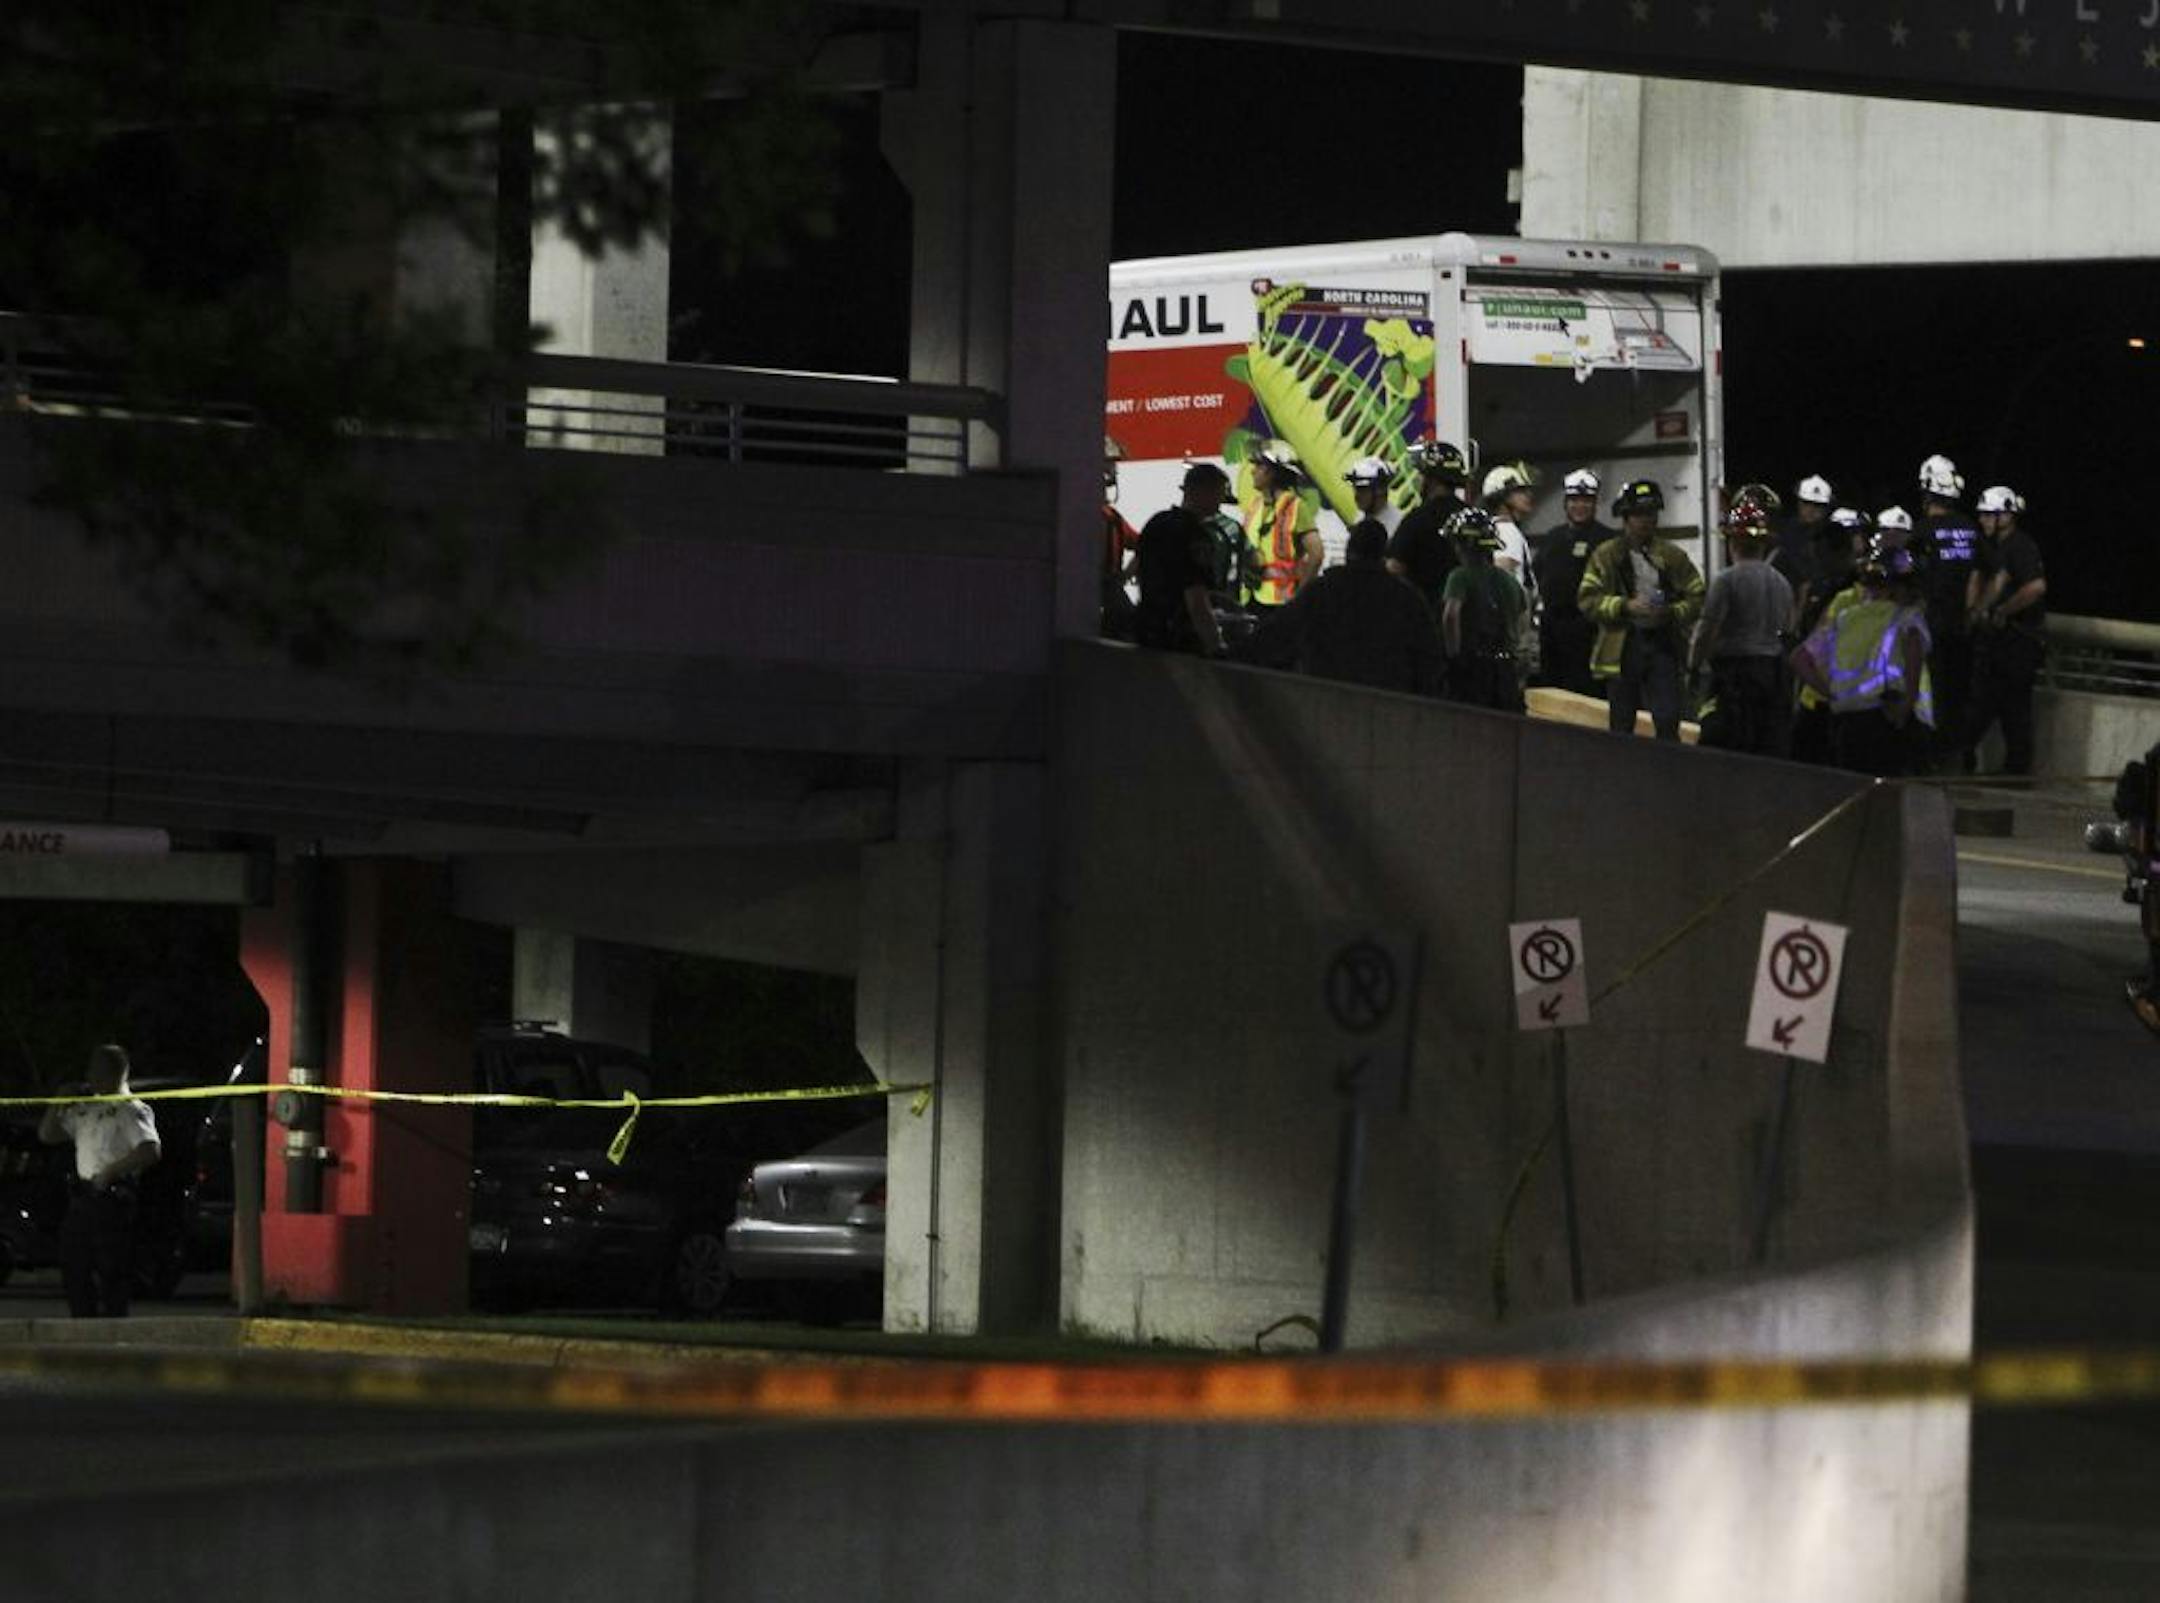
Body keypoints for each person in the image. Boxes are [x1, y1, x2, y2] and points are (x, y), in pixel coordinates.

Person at [1245, 518, 1443, 695]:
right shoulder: (1406, 598)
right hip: (1388, 708)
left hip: (1324, 700)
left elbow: (1276, 634)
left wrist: (1231, 654)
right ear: (1383, 554)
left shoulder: (1322, 591)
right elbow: (1429, 660)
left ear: (1349, 550)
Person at [38, 1043, 161, 1319]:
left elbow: (150, 1150)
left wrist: (111, 1172)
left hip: (113, 1198)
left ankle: (112, 1334)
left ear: (113, 1072)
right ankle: (84, 1327)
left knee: (112, 1271)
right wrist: (58, 1102)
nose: (89, 1074)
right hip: (84, 1197)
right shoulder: (88, 1109)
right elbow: (48, 1135)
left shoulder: (131, 1110)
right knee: (74, 1266)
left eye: (96, 1068)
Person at [1789, 544, 1933, 778]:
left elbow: (1798, 660)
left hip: (1847, 725)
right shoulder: (1906, 619)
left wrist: (1832, 692)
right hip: (1888, 720)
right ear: (1897, 587)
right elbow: (1913, 665)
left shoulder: (1844, 618)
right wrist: (1906, 707)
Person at [1578, 478, 1705, 741]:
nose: (1645, 520)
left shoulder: (1672, 557)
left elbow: (1697, 596)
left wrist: (1671, 612)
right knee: (1622, 722)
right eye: (1638, 514)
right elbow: (1587, 600)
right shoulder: (1606, 555)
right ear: (1625, 518)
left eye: (1650, 513)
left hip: (1663, 646)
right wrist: (1625, 606)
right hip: (1622, 648)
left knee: (1668, 718)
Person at [1691, 484, 1794, 758]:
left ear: (1731, 541)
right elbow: (1789, 628)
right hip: (1771, 673)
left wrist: (1693, 664)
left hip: (1734, 675)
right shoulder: (1780, 582)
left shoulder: (1726, 580)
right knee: (1765, 745)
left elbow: (1708, 627)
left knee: (1726, 745)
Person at [1960, 484, 2048, 778]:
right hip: (2001, 643)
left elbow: (2035, 587)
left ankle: (2011, 770)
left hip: (2018, 642)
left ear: (2006, 516)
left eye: (1989, 515)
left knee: (2010, 710)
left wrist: (2002, 611)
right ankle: (2006, 768)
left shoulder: (2020, 546)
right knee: (2001, 706)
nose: (1983, 520)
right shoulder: (1996, 548)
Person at [1789, 505, 1872, 765]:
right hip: (1821, 696)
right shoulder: (1827, 586)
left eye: (1820, 556)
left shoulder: (1847, 593)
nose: (1816, 563)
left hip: (1829, 700)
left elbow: (1808, 652)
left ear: (1834, 553)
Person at [1915, 452, 1982, 769]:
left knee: (1930, 694)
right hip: (1961, 628)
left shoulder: (1922, 531)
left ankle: (1929, 757)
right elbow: (1979, 574)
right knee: (1957, 695)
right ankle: (1955, 758)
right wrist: (1972, 611)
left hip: (1929, 626)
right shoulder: (1970, 528)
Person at [1132, 462, 1233, 657]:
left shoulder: (1157, 522)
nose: (1220, 502)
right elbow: (1195, 597)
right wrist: (1215, 646)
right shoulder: (1195, 535)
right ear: (1202, 491)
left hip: (1147, 629)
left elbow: (1139, 569)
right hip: (1178, 637)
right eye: (1218, 494)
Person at [1439, 507, 1526, 712]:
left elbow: (1451, 616)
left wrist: (1454, 656)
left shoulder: (1460, 576)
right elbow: (1523, 620)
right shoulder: (1510, 581)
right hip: (1506, 672)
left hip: (1474, 671)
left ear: (1463, 545)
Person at [1532, 467, 1608, 696]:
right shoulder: (1553, 538)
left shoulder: (1607, 540)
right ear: (1566, 503)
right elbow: (1537, 576)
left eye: (1586, 500)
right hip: (1553, 631)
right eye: (1574, 500)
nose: (1580, 506)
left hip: (1590, 632)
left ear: (1595, 503)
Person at [1386, 437, 1473, 614]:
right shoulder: (1470, 517)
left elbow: (1393, 568)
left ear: (1431, 478)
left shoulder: (1417, 519)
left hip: (1427, 619)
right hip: (1470, 618)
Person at [1242, 440, 1325, 612]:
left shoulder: (1295, 506)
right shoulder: (1255, 505)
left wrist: (1299, 598)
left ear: (1273, 472)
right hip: (1251, 598)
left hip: (1282, 604)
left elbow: (1316, 555)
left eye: (1259, 466)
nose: (1252, 471)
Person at [1100, 436, 1140, 641]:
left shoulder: (1113, 518)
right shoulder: (1109, 518)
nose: (1114, 470)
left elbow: (1145, 544)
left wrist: (1122, 578)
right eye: (1110, 464)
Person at [1773, 473, 1834, 591]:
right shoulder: (1784, 533)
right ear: (1799, 503)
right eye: (1806, 503)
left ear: (1826, 508)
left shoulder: (1832, 537)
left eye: (1818, 505)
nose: (1811, 509)